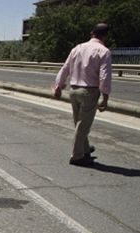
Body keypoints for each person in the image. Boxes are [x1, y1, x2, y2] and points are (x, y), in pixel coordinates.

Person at [54, 23, 112, 167]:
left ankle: (85, 149)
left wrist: (58, 86)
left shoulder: (77, 48)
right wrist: (105, 97)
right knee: (83, 125)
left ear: (92, 33)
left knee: (79, 123)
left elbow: (65, 67)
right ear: (105, 36)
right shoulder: (104, 51)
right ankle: (77, 156)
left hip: (73, 90)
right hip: (89, 91)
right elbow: (105, 76)